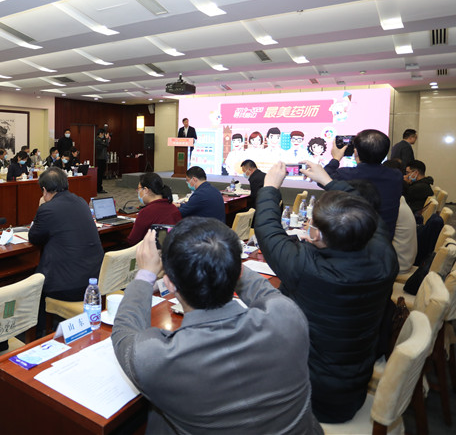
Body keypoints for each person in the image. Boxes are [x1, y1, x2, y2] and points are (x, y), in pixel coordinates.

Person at [112, 222, 322, 435]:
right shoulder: (288, 315)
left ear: (169, 284)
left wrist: (146, 274)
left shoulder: (158, 358)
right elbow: (260, 289)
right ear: (238, 272)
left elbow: (125, 329)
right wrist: (221, 257)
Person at [254, 160, 397, 423]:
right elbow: (365, 208)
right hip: (353, 386)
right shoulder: (384, 254)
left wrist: (270, 187)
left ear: (316, 235)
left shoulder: (307, 269)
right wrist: (328, 181)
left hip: (308, 396)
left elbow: (267, 230)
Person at [27, 168, 103, 331]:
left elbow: (34, 237)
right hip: (94, 279)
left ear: (44, 190)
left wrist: (41, 207)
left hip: (68, 286)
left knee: (34, 284)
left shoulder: (47, 209)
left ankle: (39, 334)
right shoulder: (81, 202)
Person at [323, 129, 403, 237]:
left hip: (354, 241)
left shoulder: (345, 175)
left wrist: (336, 158)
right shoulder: (396, 176)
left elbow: (323, 179)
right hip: (384, 241)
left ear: (355, 152)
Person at [126, 173, 181, 245]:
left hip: (154, 250)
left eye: (139, 189)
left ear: (145, 190)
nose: (138, 192)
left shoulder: (146, 212)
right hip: (174, 249)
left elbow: (132, 240)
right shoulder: (173, 208)